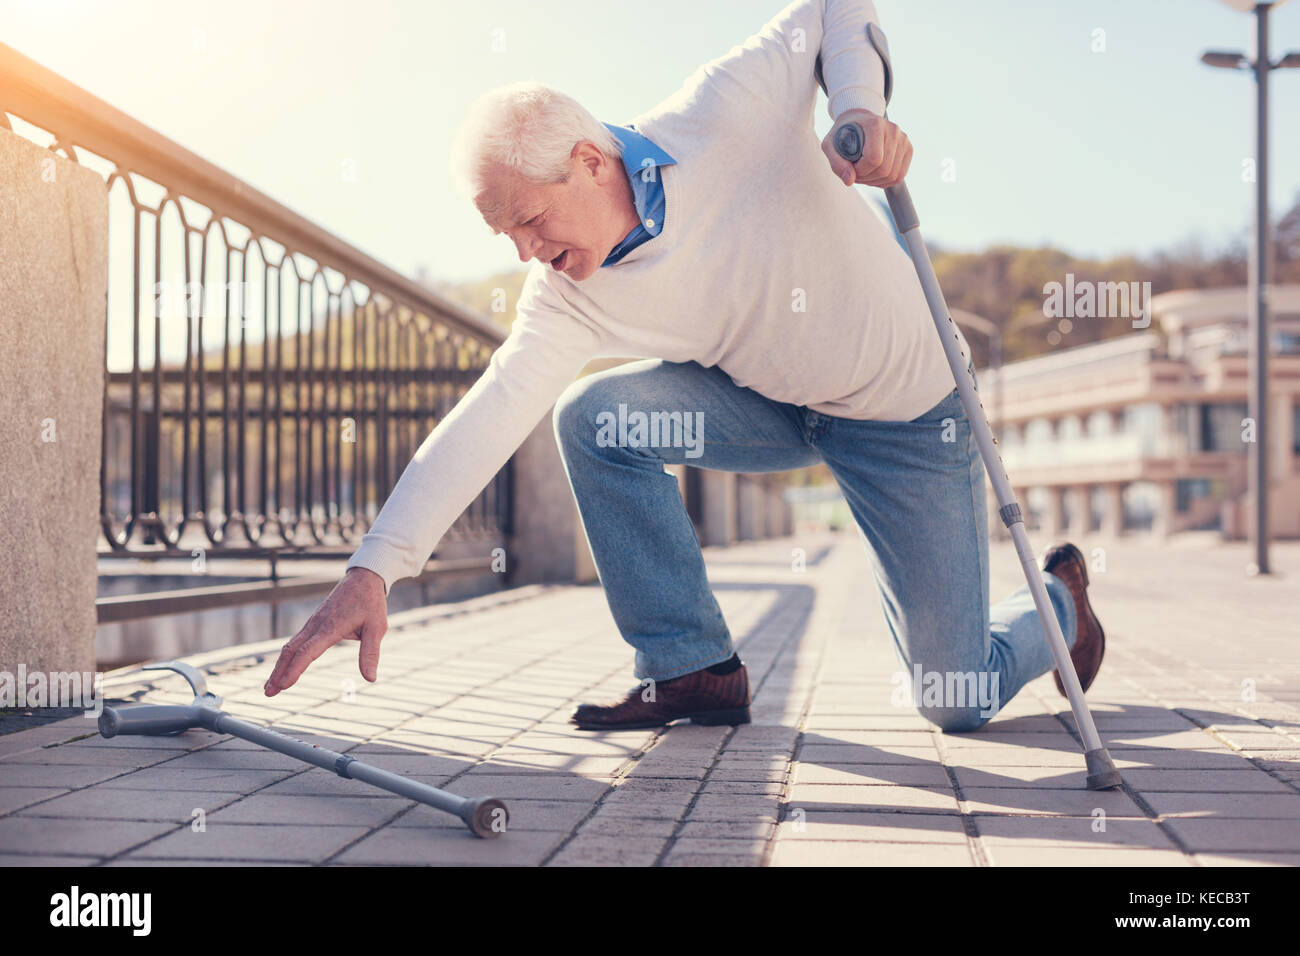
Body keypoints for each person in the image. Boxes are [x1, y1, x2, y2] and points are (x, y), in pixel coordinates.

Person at [264, 0, 1105, 733]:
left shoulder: (723, 112)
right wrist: (373, 570)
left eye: (530, 220)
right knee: (591, 419)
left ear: (591, 163)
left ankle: (1061, 608)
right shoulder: (565, 294)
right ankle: (692, 668)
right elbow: (489, 413)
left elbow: (833, 4)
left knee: (952, 695)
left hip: (911, 412)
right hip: (773, 406)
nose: (526, 251)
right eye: (506, 238)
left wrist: (859, 105)